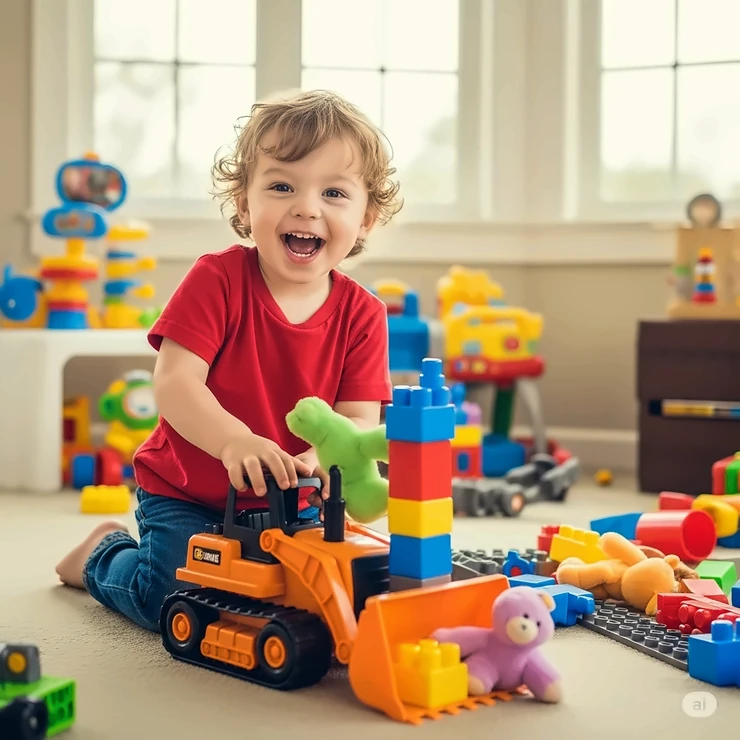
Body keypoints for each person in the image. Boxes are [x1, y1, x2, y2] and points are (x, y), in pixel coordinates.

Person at [55, 89, 403, 631]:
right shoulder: (217, 280)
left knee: (315, 591)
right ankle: (104, 555)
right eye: (282, 185)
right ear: (245, 203)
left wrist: (319, 456)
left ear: (366, 218)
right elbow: (174, 382)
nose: (306, 206)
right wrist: (232, 441)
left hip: (295, 498)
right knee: (175, 598)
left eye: (334, 192)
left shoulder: (364, 314)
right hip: (189, 490)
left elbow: (357, 419)